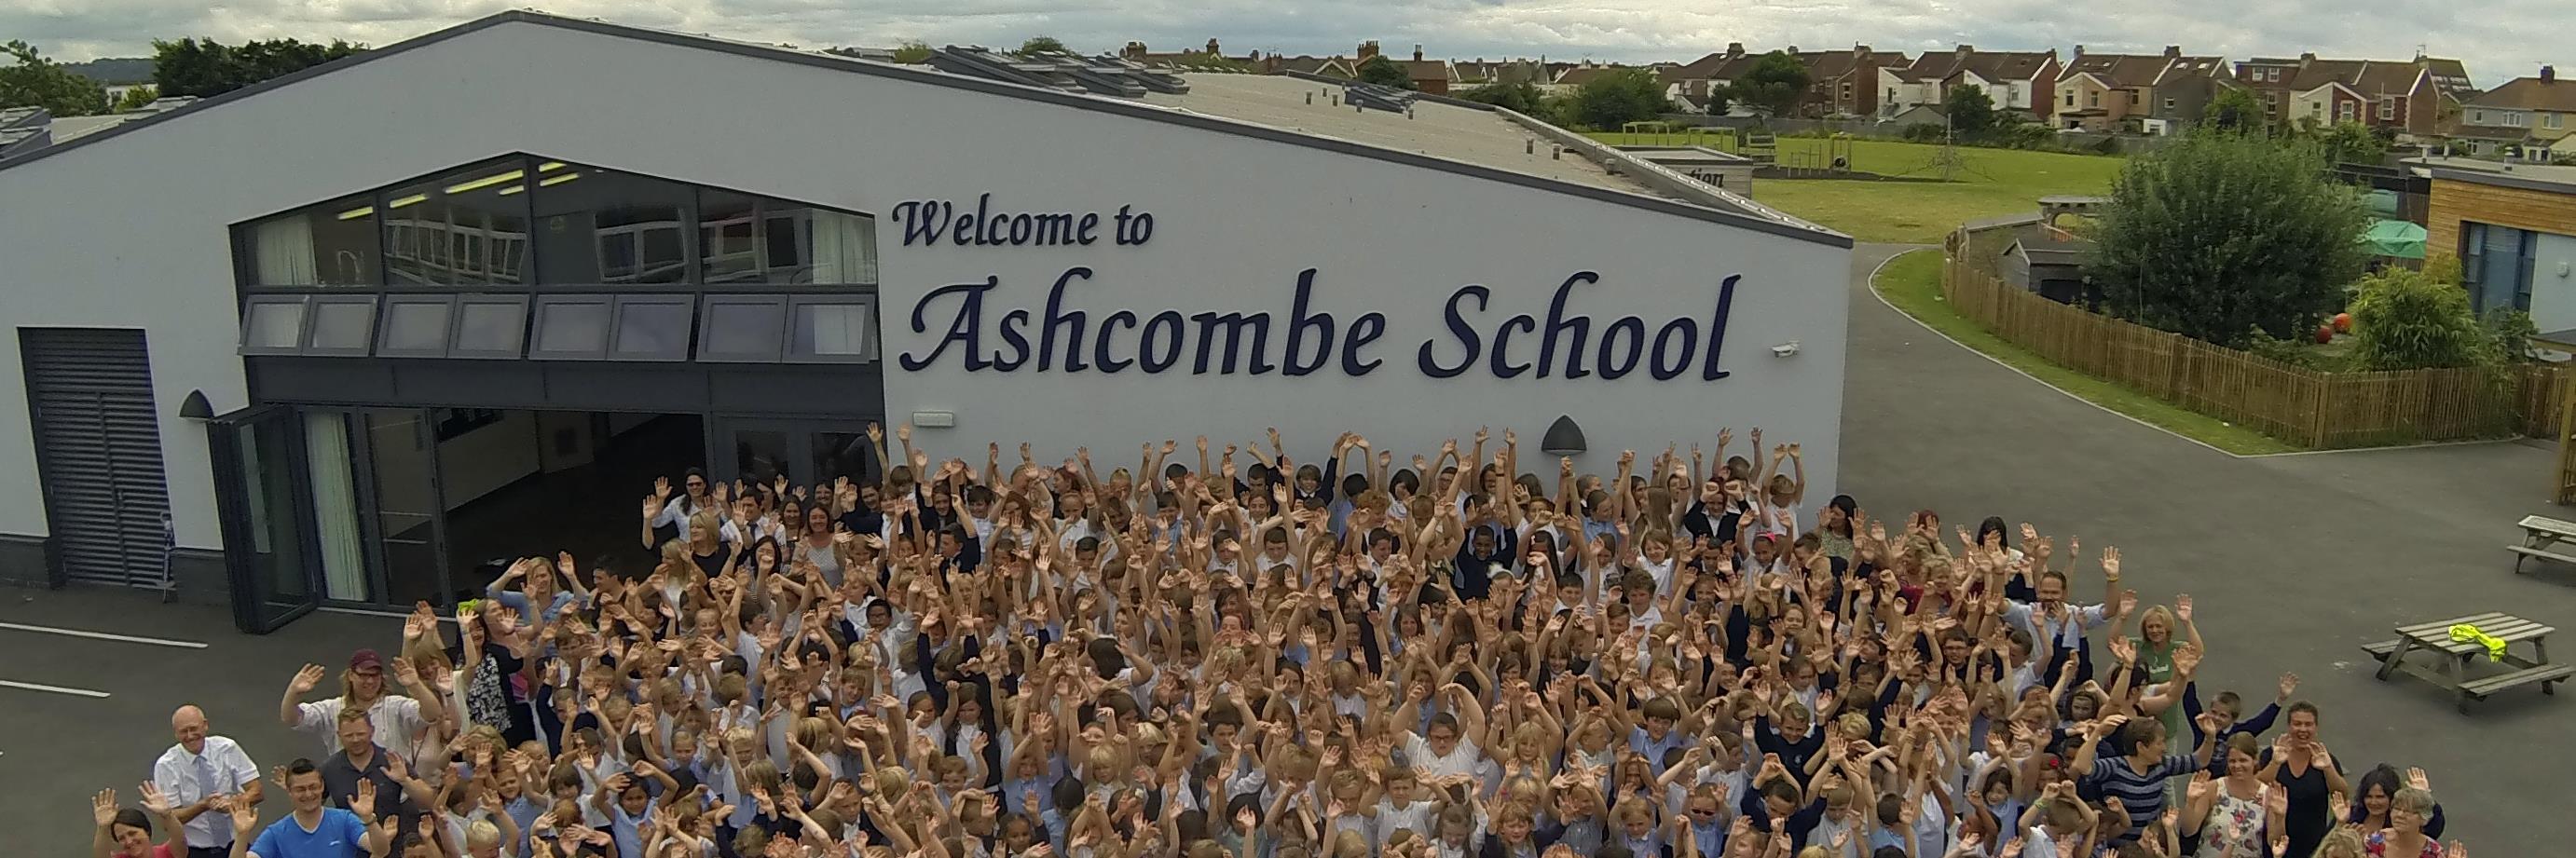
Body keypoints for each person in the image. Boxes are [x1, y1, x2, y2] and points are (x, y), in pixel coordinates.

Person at [279, 643, 445, 762]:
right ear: (351, 675)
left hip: (396, 793)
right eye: (363, 675)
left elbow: (433, 713)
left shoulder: (395, 706)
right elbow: (291, 718)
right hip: (349, 797)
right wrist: (294, 692)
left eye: (374, 676)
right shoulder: (332, 708)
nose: (370, 682)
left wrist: (416, 684)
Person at [153, 705, 265, 858]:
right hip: (195, 851)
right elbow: (169, 819)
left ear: (205, 725)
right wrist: (203, 806)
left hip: (236, 843)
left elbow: (256, 791)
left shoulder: (228, 748)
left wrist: (233, 803)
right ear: (175, 733)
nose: (190, 735)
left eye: (193, 729)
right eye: (183, 731)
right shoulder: (165, 766)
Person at [233, 759, 395, 858]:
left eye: (313, 787)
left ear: (322, 786)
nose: (309, 794)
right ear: (289, 791)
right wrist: (242, 835)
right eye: (300, 789)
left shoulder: (344, 820)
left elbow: (380, 850)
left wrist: (368, 819)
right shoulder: (276, 833)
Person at [92, 784, 186, 858]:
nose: (128, 841)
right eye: (121, 838)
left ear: (146, 831)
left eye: (132, 833)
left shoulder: (167, 853)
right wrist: (103, 827)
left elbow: (180, 840)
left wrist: (168, 815)